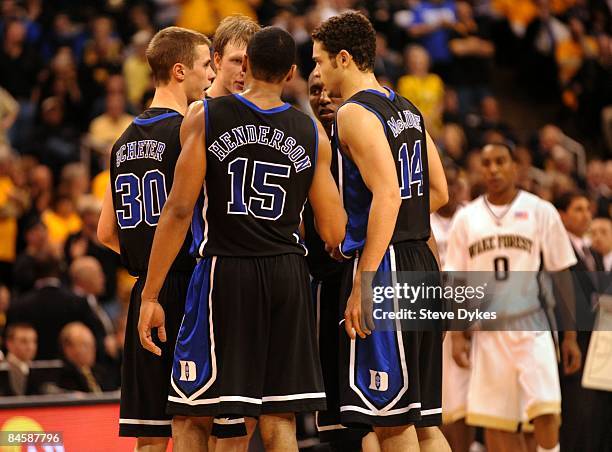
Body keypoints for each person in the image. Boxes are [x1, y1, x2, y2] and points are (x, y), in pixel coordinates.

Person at [138, 27, 346, 452]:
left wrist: (150, 294)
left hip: (225, 269)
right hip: (288, 273)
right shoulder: (311, 132)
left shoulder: (205, 116)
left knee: (193, 410)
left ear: (245, 63)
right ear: (291, 73)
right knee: (279, 416)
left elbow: (178, 211)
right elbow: (333, 231)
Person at [312, 11, 450, 452]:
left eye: (321, 61)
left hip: (387, 265)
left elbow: (387, 195)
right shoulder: (406, 108)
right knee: (425, 422)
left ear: (345, 59)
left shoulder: (354, 112)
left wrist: (364, 282)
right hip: (422, 262)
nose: (317, 71)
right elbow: (440, 192)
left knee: (390, 423)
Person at [97, 26, 214, 451]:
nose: (211, 75)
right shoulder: (189, 130)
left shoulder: (121, 141)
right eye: (206, 66)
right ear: (180, 71)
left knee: (148, 433)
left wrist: (146, 259)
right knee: (195, 423)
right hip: (185, 286)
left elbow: (105, 232)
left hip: (143, 289)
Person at [446, 143, 582, 452]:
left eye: (500, 161)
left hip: (532, 322)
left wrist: (570, 335)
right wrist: (456, 334)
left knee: (546, 408)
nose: (493, 169)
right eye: (486, 163)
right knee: (497, 420)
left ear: (514, 167)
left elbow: (562, 274)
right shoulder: (466, 219)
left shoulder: (540, 210)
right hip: (488, 329)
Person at [306, 70, 372, 451]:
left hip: (364, 276)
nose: (325, 99)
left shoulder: (364, 138)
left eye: (331, 92)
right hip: (325, 285)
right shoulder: (304, 143)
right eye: (316, 92)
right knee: (336, 421)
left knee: (384, 417)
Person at [206, 15, 260, 99]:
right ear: (217, 60)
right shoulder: (193, 109)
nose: (244, 72)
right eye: (237, 61)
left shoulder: (263, 110)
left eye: (251, 63)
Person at [1, 323, 37, 396]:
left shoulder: (36, 368)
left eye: (34, 341)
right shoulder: (3, 369)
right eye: (24, 341)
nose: (30, 347)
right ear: (9, 343)